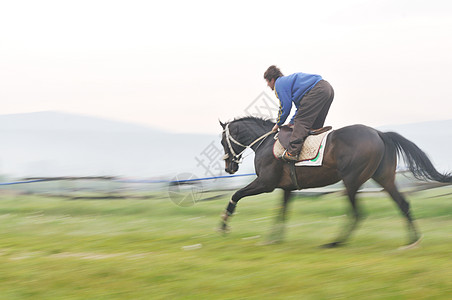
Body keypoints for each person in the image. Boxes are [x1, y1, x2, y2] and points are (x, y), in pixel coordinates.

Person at [264, 65, 334, 162]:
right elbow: (301, 109)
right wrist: (291, 122)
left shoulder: (279, 84)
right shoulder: (291, 84)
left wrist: (278, 124)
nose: (267, 85)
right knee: (314, 127)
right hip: (327, 89)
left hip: (317, 90)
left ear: (272, 79)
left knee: (301, 122)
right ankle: (313, 152)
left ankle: (293, 152)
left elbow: (285, 107)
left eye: (267, 81)